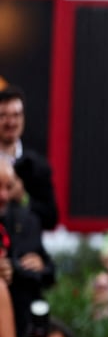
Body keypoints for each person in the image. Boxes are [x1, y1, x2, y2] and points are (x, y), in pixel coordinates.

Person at [0, 160, 57, 337]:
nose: (3, 195)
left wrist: (36, 267)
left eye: (8, 187)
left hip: (21, 324)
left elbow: (50, 273)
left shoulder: (28, 220)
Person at [0, 85, 59, 231]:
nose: (11, 122)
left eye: (16, 115)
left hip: (25, 246)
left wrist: (23, 199)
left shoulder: (36, 165)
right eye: (4, 116)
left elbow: (51, 219)